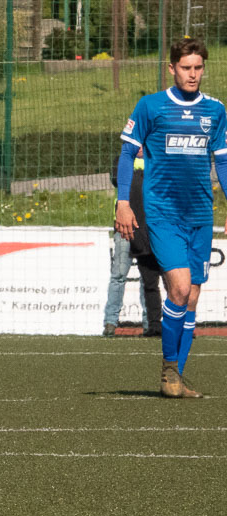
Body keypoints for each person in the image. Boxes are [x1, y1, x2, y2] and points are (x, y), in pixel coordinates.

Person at [116, 37, 227, 397]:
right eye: (186, 68)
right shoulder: (151, 107)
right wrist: (122, 202)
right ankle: (167, 368)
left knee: (192, 298)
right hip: (163, 214)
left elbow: (223, 162)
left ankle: (176, 375)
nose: (193, 75)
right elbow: (127, 152)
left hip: (200, 215)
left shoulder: (216, 111)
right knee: (178, 289)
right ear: (172, 68)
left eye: (198, 68)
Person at [103, 151, 163, 337]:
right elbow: (118, 178)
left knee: (149, 278)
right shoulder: (121, 158)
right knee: (119, 275)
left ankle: (149, 324)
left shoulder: (156, 158)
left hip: (147, 228)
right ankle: (110, 323)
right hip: (124, 228)